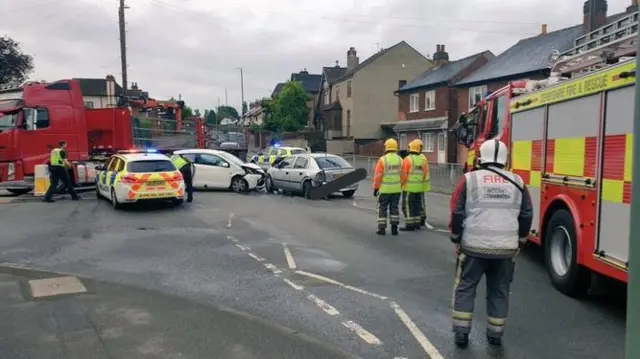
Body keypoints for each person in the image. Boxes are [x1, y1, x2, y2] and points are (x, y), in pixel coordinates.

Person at [449, 139, 533, 348]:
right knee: (499, 290)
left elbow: (457, 212)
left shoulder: (469, 180)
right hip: (505, 250)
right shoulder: (518, 182)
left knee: (466, 288)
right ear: (505, 159)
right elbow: (526, 214)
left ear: (480, 157)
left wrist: (456, 239)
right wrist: (520, 242)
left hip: (473, 248)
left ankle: (461, 334)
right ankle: (495, 335)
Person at [372, 138, 403, 236]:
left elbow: (378, 176)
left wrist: (376, 188)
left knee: (382, 208)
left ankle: (382, 229)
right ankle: (394, 228)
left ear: (386, 147)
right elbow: (403, 175)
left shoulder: (382, 160)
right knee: (394, 208)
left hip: (385, 190)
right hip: (397, 190)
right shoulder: (400, 159)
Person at [399, 140, 427, 231]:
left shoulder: (408, 159)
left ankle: (409, 225)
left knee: (407, 206)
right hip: (419, 188)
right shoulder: (422, 160)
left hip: (409, 188)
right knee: (416, 206)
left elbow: (404, 174)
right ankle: (416, 223)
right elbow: (424, 173)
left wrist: (401, 184)